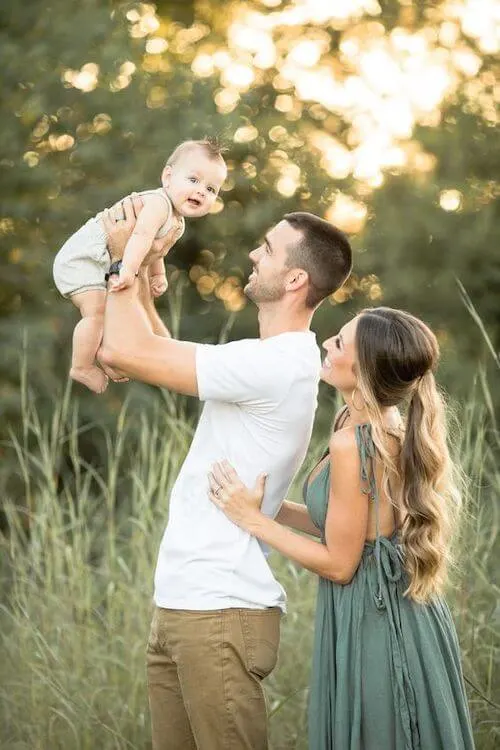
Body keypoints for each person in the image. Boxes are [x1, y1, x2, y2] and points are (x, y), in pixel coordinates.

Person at [98, 199, 353, 750]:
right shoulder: (262, 358)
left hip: (219, 612)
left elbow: (121, 348)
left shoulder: (276, 365)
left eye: (266, 248)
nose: (252, 255)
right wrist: (141, 272)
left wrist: (122, 260)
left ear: (294, 278)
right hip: (185, 605)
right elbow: (151, 351)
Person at [209, 306, 475, 750]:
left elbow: (339, 563)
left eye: (340, 343)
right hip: (398, 609)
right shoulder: (369, 423)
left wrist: (251, 520)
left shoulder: (353, 443)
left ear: (365, 368)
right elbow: (347, 526)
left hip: (377, 620)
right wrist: (267, 509)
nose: (327, 343)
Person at [52, 138, 227, 394]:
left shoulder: (177, 222)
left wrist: (158, 274)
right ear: (167, 177)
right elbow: (140, 237)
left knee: (109, 316)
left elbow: (155, 250)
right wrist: (128, 270)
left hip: (98, 259)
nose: (201, 191)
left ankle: (109, 357)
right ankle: (81, 366)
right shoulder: (158, 204)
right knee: (97, 313)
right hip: (82, 258)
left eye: (211, 189)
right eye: (193, 180)